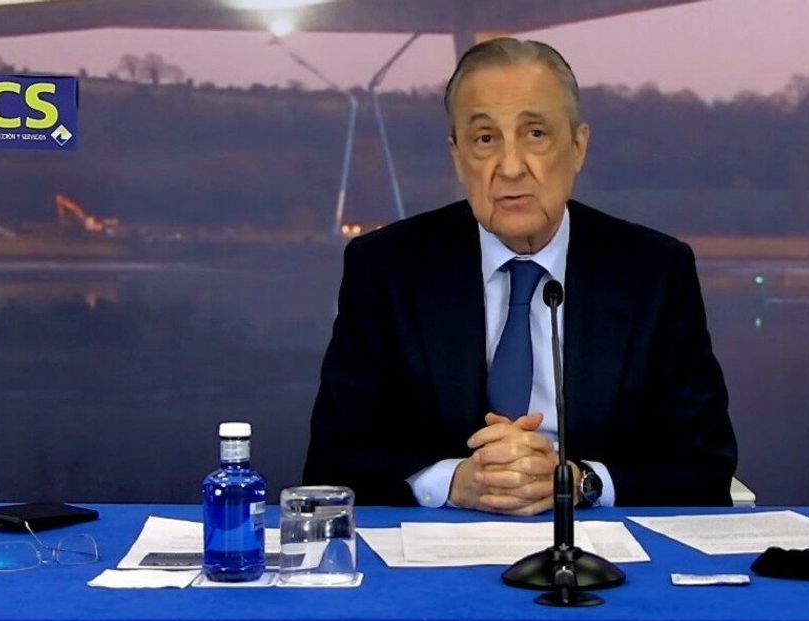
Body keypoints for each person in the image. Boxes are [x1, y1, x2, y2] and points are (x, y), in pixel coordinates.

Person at [304, 37, 736, 514]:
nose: (510, 167)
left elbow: (705, 465)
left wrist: (578, 482)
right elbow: (333, 462)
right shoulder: (386, 268)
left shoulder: (655, 272)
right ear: (457, 157)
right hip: (439, 543)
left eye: (535, 134)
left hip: (597, 545)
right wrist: (455, 482)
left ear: (578, 147)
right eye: (485, 139)